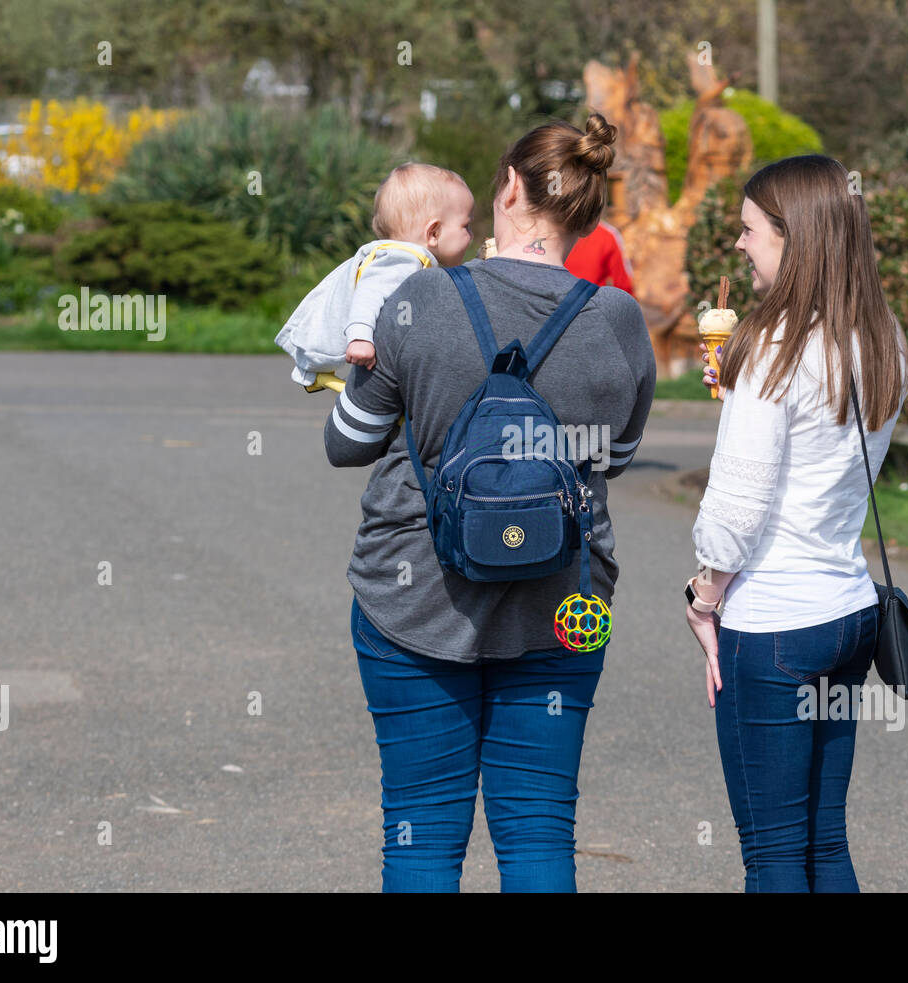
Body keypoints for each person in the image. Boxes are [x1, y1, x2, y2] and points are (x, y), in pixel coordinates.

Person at [322, 112, 656, 892]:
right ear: (591, 210)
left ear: (509, 187)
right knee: (541, 832)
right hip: (565, 602)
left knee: (420, 833)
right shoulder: (618, 320)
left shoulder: (416, 302)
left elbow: (347, 442)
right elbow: (620, 455)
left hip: (413, 598)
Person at [684, 154, 908, 892]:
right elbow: (821, 454)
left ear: (795, 236)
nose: (741, 245)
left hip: (773, 623)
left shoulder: (773, 348)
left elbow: (739, 511)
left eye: (751, 230)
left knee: (774, 856)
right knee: (824, 843)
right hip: (846, 610)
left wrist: (704, 597)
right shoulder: (882, 340)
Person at [275, 163, 475, 389]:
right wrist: (360, 337)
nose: (472, 234)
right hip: (349, 348)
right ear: (434, 233)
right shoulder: (403, 260)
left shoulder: (405, 258)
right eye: (466, 226)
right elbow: (369, 295)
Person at [565, 219, 635, 296]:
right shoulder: (607, 235)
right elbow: (624, 287)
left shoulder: (553, 230)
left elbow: (624, 285)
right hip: (590, 304)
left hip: (554, 303)